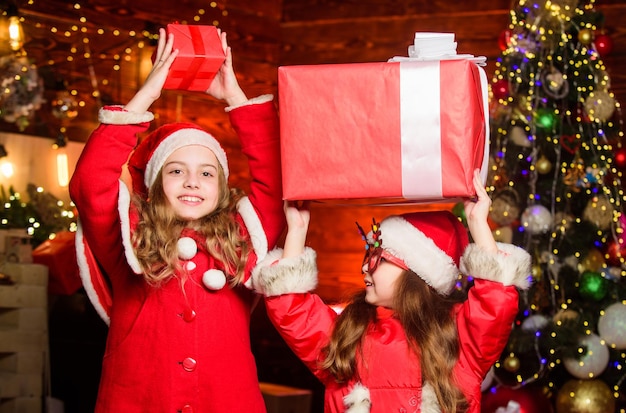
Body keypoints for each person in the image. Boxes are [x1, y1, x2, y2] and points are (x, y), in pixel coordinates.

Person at [69, 27, 285, 412]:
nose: (192, 181)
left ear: (221, 186)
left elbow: (276, 180)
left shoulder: (243, 238)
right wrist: (147, 95)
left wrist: (235, 98)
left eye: (206, 173)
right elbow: (89, 184)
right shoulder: (128, 239)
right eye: (175, 171)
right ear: (154, 184)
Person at [252, 169, 532, 413]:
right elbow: (289, 307)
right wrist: (297, 231)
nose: (365, 268)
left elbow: (496, 301)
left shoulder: (457, 340)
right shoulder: (348, 334)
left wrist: (479, 226)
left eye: (380, 259)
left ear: (416, 274)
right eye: (368, 256)